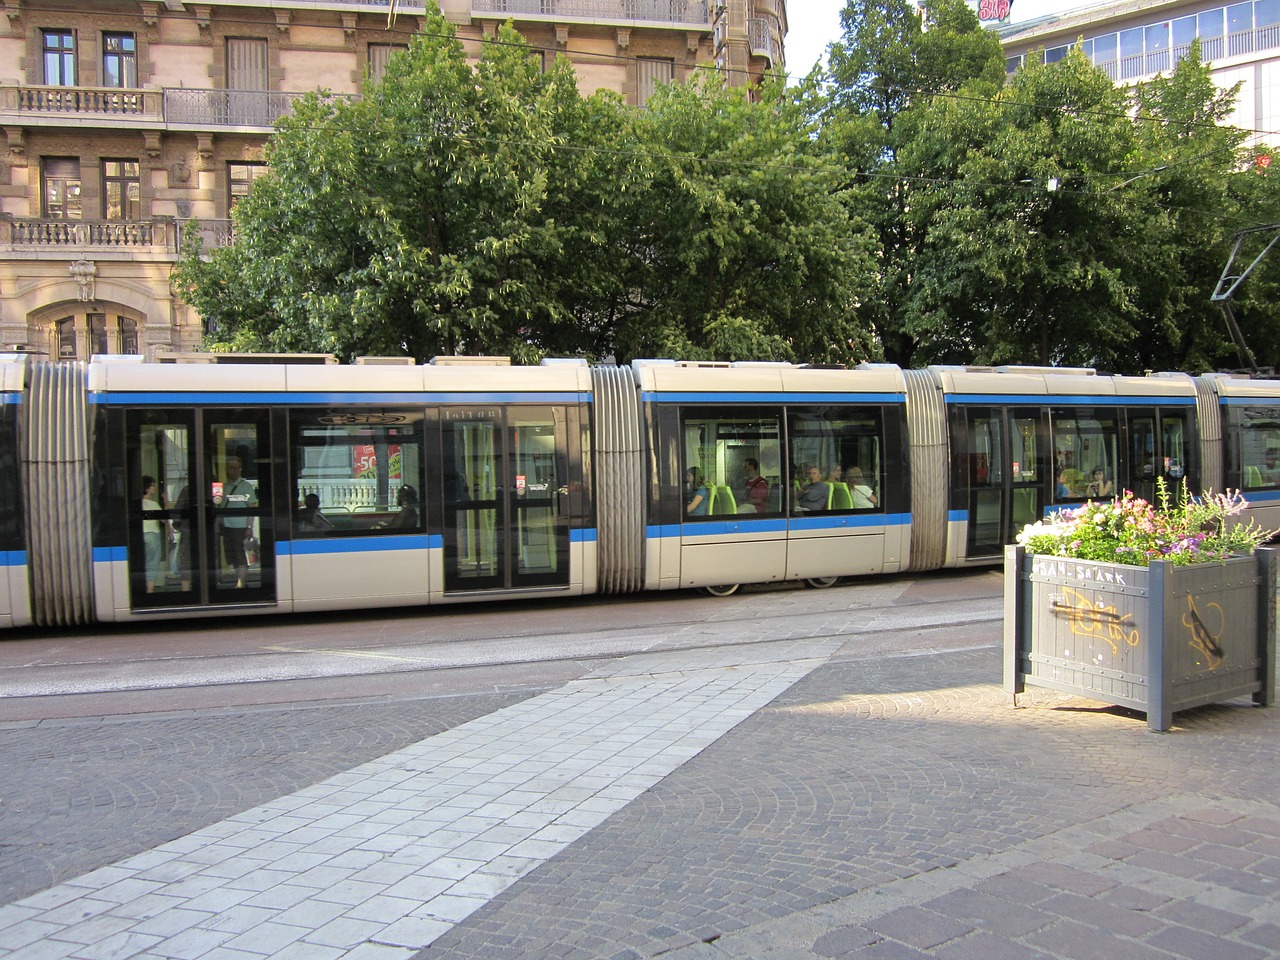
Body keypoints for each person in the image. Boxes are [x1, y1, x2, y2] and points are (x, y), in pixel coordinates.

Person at [216, 455, 256, 588]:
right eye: (230, 468)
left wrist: (249, 526)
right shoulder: (224, 487)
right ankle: (240, 581)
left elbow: (252, 508)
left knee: (240, 555)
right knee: (231, 555)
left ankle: (241, 583)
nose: (233, 471)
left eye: (236, 468)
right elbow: (219, 505)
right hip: (226, 526)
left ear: (240, 470)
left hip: (240, 527)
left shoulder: (246, 486)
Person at [141, 475, 170, 593]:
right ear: (147, 488)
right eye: (153, 485)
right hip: (152, 535)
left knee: (144, 563)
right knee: (152, 563)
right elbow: (164, 518)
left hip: (141, 534)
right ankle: (149, 590)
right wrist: (166, 502)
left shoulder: (139, 503)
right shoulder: (153, 504)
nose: (155, 487)